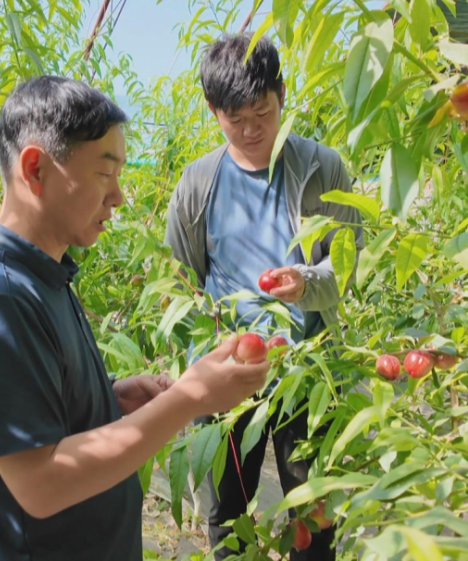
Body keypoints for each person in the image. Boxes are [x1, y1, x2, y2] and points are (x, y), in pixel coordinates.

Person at [0, 75, 271, 561]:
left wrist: (108, 397)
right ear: (35, 170)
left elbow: (38, 411)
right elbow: (41, 483)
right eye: (104, 175)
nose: (120, 198)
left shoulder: (39, 276)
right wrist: (193, 397)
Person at [165, 34, 363, 560]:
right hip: (229, 376)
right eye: (235, 119)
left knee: (313, 511)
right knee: (227, 511)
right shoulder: (198, 184)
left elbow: (351, 262)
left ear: (282, 93)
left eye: (263, 112)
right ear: (213, 111)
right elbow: (182, 281)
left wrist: (307, 283)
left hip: (306, 372)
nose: (251, 130)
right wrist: (204, 352)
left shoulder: (323, 168)